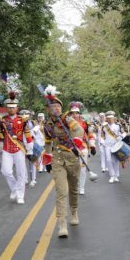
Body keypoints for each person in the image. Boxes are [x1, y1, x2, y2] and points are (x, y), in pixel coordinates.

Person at [43, 86, 86, 238]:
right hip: (57, 159)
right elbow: (48, 142)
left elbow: (79, 130)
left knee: (74, 189)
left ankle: (74, 211)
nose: (55, 108)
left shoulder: (67, 118)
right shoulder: (47, 124)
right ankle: (62, 223)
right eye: (52, 106)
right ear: (48, 109)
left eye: (57, 106)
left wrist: (77, 143)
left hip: (72, 157)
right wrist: (47, 159)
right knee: (61, 191)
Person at [0, 92, 33, 204]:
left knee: (21, 173)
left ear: (17, 108)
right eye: (9, 108)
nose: (11, 110)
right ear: (6, 108)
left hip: (19, 149)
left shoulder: (23, 120)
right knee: (6, 171)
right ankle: (15, 188)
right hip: (6, 149)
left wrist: (30, 150)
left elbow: (28, 136)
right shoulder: (2, 120)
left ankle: (20, 195)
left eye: (13, 107)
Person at [69, 102, 95, 195]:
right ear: (70, 114)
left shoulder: (85, 123)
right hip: (71, 148)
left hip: (82, 147)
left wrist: (92, 146)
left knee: (83, 169)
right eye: (73, 113)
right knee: (72, 169)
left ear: (79, 113)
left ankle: (82, 187)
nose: (75, 115)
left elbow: (90, 135)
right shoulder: (67, 123)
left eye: (76, 113)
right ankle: (74, 186)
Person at [102, 111, 123, 183]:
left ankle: (116, 176)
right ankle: (112, 176)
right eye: (108, 119)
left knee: (115, 160)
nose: (110, 120)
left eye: (111, 118)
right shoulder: (104, 126)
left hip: (115, 145)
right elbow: (102, 135)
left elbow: (124, 132)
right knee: (108, 160)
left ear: (114, 118)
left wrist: (121, 137)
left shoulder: (118, 126)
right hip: (107, 145)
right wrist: (102, 141)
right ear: (106, 119)